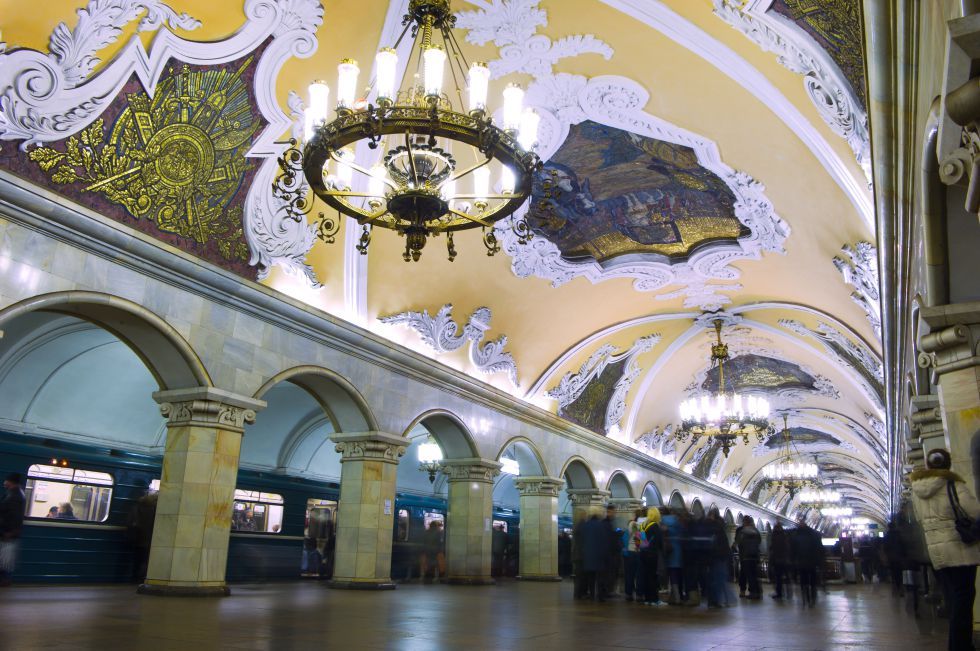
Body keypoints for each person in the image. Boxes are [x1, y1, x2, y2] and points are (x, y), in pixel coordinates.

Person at [910, 448, 980, 651]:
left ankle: (958, 644)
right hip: (960, 549)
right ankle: (961, 646)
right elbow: (974, 512)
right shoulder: (953, 484)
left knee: (953, 599)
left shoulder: (917, 492)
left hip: (937, 553)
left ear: (928, 465)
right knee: (964, 600)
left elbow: (919, 519)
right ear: (948, 464)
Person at [126, 482, 158, 583]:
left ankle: (134, 578)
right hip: (149, 539)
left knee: (137, 559)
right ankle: (141, 579)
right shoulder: (155, 510)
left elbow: (130, 521)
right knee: (145, 560)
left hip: (137, 538)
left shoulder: (137, 507)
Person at [0, 473, 26, 586]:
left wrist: (10, 532)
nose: (4, 482)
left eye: (6, 480)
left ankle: (5, 580)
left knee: (5, 558)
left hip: (7, 532)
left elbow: (15, 516)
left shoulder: (15, 496)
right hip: (8, 532)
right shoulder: (14, 493)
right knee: (5, 558)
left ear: (11, 482)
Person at [791, 520, 824, 607]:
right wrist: (819, 562)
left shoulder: (796, 536)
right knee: (812, 582)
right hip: (811, 562)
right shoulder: (813, 535)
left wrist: (793, 563)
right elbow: (819, 549)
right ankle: (812, 598)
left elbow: (793, 551)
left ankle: (806, 598)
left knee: (804, 582)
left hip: (802, 563)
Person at [580, 507, 609, 601]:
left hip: (588, 555)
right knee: (600, 577)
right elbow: (604, 541)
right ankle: (600, 596)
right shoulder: (601, 525)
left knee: (590, 578)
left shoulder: (586, 525)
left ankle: (592, 595)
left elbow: (582, 540)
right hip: (599, 555)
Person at [706, 508, 732, 607]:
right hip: (721, 555)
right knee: (720, 578)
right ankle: (719, 600)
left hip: (715, 555)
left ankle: (714, 600)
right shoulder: (720, 526)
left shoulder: (713, 526)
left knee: (714, 578)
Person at [660, 507, 686, 604]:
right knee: (679, 575)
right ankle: (679, 596)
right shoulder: (680, 522)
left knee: (672, 574)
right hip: (680, 551)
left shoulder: (663, 521)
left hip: (669, 551)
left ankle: (676, 597)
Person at [735, 515, 762, 599]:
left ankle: (745, 591)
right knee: (754, 574)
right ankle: (756, 591)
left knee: (745, 574)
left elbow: (738, 541)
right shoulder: (755, 530)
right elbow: (759, 541)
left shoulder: (741, 531)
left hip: (744, 556)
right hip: (754, 556)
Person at [882, 520, 906, 596]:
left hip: (891, 558)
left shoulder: (887, 536)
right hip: (899, 557)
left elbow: (885, 548)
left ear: (888, 527)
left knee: (893, 573)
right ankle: (901, 587)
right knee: (900, 572)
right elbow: (903, 545)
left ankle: (896, 587)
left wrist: (886, 557)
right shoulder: (899, 534)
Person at [622, 510, 641, 601]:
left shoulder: (631, 525)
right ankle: (639, 594)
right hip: (637, 551)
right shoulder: (637, 525)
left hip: (630, 552)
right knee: (638, 574)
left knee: (630, 574)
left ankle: (628, 593)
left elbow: (625, 538)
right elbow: (638, 539)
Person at [769, 522, 791, 600]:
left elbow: (772, 549)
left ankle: (779, 593)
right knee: (786, 577)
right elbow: (787, 548)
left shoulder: (774, 537)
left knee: (778, 578)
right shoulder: (785, 536)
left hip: (777, 560)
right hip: (784, 560)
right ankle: (789, 592)